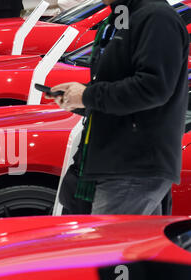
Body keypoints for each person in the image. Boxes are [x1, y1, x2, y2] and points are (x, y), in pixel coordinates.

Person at [50, 0, 189, 215]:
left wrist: (87, 96)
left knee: (109, 246)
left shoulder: (157, 17)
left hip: (132, 166)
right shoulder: (125, 15)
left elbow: (152, 88)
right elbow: (121, 80)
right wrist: (80, 98)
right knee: (134, 247)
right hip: (119, 162)